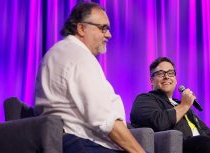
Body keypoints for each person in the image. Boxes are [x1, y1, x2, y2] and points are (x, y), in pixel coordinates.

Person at [34, 2, 145, 153]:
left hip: (60, 141)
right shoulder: (79, 56)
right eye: (103, 28)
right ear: (81, 28)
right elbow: (105, 121)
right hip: (79, 144)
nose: (108, 35)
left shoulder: (56, 52)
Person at [130, 57, 210, 153]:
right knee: (203, 142)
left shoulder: (180, 103)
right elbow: (157, 122)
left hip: (206, 146)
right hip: (183, 147)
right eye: (160, 73)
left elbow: (207, 132)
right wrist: (185, 105)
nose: (166, 77)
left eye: (170, 73)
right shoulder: (145, 99)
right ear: (151, 80)